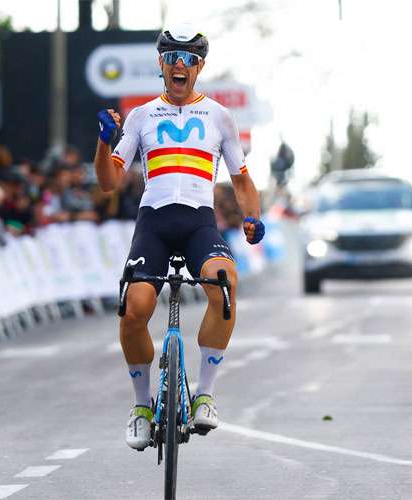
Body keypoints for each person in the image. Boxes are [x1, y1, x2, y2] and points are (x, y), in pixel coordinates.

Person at [93, 26, 265, 450]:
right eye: (172, 57)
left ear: (200, 67)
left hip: (198, 223)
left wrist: (253, 217)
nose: (180, 66)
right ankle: (141, 406)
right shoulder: (141, 116)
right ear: (161, 63)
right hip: (153, 222)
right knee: (135, 309)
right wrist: (102, 144)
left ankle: (204, 393)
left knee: (225, 284)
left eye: (190, 59)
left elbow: (241, 180)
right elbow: (109, 182)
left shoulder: (220, 117)